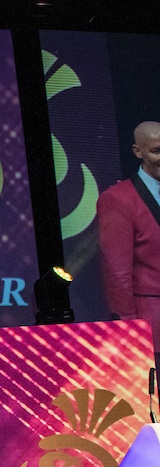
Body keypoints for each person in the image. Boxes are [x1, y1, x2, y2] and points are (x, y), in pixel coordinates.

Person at [97, 120, 160, 354]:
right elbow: (117, 274)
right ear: (138, 152)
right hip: (152, 330)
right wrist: (129, 332)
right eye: (156, 151)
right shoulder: (119, 199)